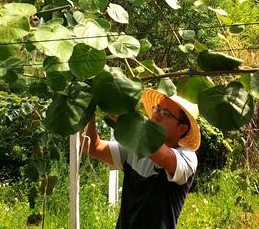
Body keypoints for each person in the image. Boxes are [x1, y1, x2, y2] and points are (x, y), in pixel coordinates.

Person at [82, 88, 201, 229]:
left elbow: (162, 155)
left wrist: (124, 119)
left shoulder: (187, 157)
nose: (156, 116)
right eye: (157, 109)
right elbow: (93, 147)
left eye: (165, 113)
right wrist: (87, 111)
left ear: (181, 129)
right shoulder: (135, 147)